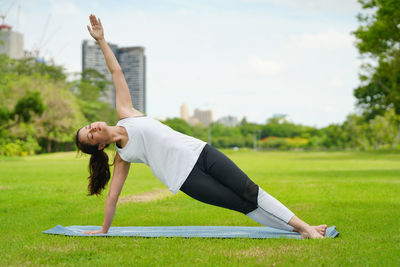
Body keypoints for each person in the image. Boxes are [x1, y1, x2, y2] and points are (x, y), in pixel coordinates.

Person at [76, 14, 327, 238]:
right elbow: (113, 197)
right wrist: (104, 230)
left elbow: (116, 71)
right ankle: (302, 229)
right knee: (242, 204)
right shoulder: (123, 157)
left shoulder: (126, 113)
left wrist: (101, 41)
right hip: (187, 178)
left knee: (250, 190)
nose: (93, 128)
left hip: (201, 152)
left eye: (89, 126)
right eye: (89, 135)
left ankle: (303, 226)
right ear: (99, 146)